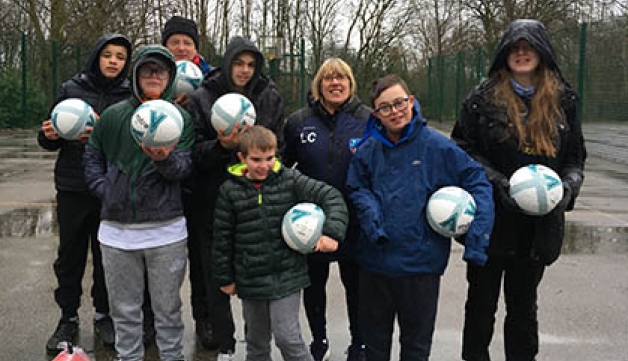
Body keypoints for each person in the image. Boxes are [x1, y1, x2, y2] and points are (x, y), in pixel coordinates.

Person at [450, 19, 587, 361]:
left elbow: (575, 157)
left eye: (529, 47)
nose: (522, 53)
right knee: (481, 304)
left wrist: (567, 188)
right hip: (491, 219)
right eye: (515, 47)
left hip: (537, 226)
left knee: (524, 307)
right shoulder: (480, 100)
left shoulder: (564, 99)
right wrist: (498, 184)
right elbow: (462, 149)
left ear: (542, 53)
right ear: (504, 54)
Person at [346, 74, 495, 361]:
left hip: (420, 269)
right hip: (374, 266)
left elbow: (477, 180)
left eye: (400, 102)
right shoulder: (367, 151)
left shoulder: (437, 147)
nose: (395, 111)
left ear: (412, 102)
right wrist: (371, 215)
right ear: (376, 113)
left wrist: (477, 238)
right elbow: (356, 188)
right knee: (375, 349)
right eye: (385, 107)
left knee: (415, 350)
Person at [83, 44, 194, 361]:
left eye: (161, 70)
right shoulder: (115, 115)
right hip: (117, 233)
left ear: (171, 77)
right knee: (125, 312)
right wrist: (105, 189)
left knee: (168, 311)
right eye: (147, 69)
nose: (154, 75)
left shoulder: (180, 119)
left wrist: (164, 160)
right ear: (136, 75)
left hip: (166, 231)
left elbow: (184, 169)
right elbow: (92, 155)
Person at [185, 35, 284, 359]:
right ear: (227, 64)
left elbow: (278, 146)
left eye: (251, 65)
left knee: (257, 272)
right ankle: (221, 338)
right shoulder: (203, 97)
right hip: (212, 202)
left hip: (256, 202)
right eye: (238, 63)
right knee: (215, 275)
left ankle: (259, 343)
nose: (244, 70)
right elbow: (193, 153)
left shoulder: (268, 95)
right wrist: (221, 147)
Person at [212, 125, 348, 361]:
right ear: (242, 158)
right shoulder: (230, 191)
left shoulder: (290, 180)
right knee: (256, 343)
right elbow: (222, 237)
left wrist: (332, 232)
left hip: (287, 275)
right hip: (251, 278)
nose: (264, 165)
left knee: (288, 338)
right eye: (256, 159)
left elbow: (331, 196)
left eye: (269, 158)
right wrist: (225, 277)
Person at [39, 33, 132, 355]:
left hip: (108, 187)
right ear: (96, 56)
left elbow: (130, 141)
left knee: (107, 256)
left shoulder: (128, 95)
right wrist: (48, 134)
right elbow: (49, 139)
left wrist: (104, 134)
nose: (113, 61)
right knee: (70, 256)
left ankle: (104, 315)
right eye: (108, 54)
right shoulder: (71, 90)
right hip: (73, 186)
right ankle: (67, 318)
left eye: (120, 57)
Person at [283, 58, 370, 361]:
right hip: (312, 222)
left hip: (356, 222)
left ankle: (359, 343)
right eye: (328, 78)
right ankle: (319, 340)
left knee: (357, 287)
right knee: (314, 285)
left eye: (341, 78)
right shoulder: (298, 122)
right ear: (318, 85)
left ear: (350, 83)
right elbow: (282, 168)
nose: (335, 83)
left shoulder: (368, 120)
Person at [158, 13, 212, 348]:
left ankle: (205, 319)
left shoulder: (210, 82)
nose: (180, 47)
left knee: (203, 258)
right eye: (174, 41)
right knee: (160, 260)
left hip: (199, 183)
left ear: (195, 49)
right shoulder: (149, 76)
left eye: (186, 42)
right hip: (160, 186)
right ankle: (156, 322)